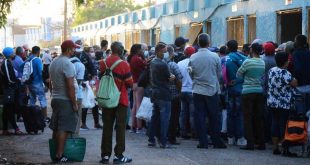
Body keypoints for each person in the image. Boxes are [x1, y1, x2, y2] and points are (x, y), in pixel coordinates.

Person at [188, 33, 226, 149]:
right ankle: (216, 141)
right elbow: (219, 74)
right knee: (214, 117)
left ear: (198, 43)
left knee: (200, 117)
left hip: (198, 90)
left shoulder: (193, 57)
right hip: (212, 90)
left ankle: (203, 141)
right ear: (209, 43)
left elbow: (190, 73)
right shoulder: (215, 56)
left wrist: (196, 80)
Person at [99, 42, 133, 164]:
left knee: (107, 127)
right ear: (120, 50)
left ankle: (105, 155)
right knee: (120, 128)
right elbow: (129, 82)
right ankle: (118, 156)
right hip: (120, 99)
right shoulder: (124, 64)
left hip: (106, 98)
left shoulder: (103, 62)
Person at [49, 40, 79, 163]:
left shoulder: (54, 61)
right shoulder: (67, 63)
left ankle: (56, 153)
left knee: (56, 128)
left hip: (55, 98)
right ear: (68, 49)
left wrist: (53, 94)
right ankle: (59, 154)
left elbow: (50, 82)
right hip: (65, 100)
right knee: (64, 128)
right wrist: (74, 103)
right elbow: (70, 86)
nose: (74, 50)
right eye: (73, 48)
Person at [267, 51, 298, 155]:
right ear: (286, 62)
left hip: (272, 102)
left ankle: (275, 147)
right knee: (284, 124)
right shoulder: (286, 73)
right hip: (284, 103)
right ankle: (284, 147)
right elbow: (294, 83)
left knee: (274, 123)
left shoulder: (271, 70)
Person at [237, 42, 266, 150]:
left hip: (247, 91)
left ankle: (250, 143)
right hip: (259, 91)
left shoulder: (247, 61)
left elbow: (238, 74)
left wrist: (246, 75)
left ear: (252, 50)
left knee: (247, 118)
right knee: (258, 117)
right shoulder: (262, 62)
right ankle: (261, 143)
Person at [148, 42, 174, 148]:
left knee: (155, 117)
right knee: (164, 118)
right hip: (163, 93)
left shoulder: (153, 62)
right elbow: (169, 78)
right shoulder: (162, 64)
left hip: (155, 92)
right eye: (164, 51)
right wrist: (172, 77)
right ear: (159, 52)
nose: (166, 53)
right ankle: (163, 141)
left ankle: (151, 139)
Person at [225, 40, 247, 146]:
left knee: (230, 113)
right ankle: (240, 138)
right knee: (239, 114)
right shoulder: (244, 58)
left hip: (230, 89)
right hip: (241, 88)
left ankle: (230, 137)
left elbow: (221, 74)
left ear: (228, 48)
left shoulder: (225, 59)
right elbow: (247, 73)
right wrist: (239, 81)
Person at [0, 47, 25, 135]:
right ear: (9, 54)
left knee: (7, 110)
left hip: (10, 89)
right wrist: (18, 80)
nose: (14, 53)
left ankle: (5, 129)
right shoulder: (6, 63)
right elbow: (10, 78)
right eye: (12, 52)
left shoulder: (9, 62)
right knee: (9, 110)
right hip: (9, 89)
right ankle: (16, 128)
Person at [165, 45, 183, 145]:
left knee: (164, 115)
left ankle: (163, 136)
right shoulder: (172, 65)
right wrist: (180, 91)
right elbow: (179, 79)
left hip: (162, 93)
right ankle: (171, 137)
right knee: (174, 116)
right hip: (174, 94)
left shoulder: (156, 63)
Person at [177, 46, 196, 139]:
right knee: (193, 113)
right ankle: (193, 132)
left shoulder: (179, 63)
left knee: (183, 112)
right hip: (192, 90)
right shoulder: (194, 63)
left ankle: (183, 131)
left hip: (182, 90)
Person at [127, 44, 146, 133]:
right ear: (138, 50)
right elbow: (145, 66)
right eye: (141, 49)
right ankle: (139, 127)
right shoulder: (137, 59)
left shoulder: (132, 58)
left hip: (134, 83)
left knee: (134, 105)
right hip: (139, 83)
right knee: (138, 105)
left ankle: (133, 126)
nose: (142, 50)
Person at [26, 46, 48, 122]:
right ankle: (44, 118)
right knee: (42, 100)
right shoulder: (37, 60)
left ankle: (32, 117)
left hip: (30, 83)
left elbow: (20, 67)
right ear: (38, 52)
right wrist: (44, 83)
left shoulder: (28, 59)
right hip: (37, 83)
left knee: (32, 100)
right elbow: (40, 72)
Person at [292, 34, 310, 114]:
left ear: (298, 42)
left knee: (300, 110)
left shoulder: (296, 54)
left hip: (300, 85)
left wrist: (295, 79)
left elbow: (298, 68)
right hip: (309, 84)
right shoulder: (308, 52)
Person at [70, 51, 85, 136]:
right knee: (77, 116)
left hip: (64, 94)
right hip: (77, 94)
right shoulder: (80, 65)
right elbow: (78, 81)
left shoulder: (65, 62)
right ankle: (75, 136)